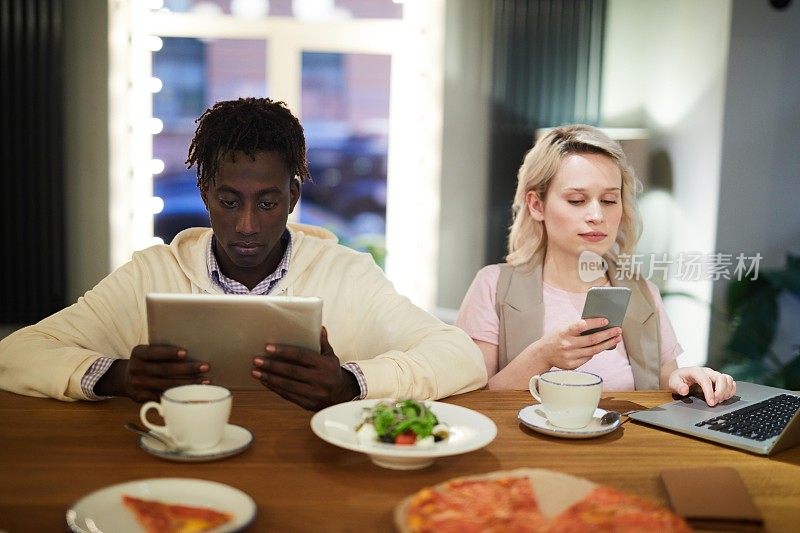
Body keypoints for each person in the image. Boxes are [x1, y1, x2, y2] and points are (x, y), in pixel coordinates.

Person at [0, 97, 487, 410]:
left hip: (308, 478)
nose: (247, 225)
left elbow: (461, 357)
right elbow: (14, 354)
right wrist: (116, 376)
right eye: (229, 202)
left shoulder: (349, 275)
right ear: (205, 192)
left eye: (268, 202)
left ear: (294, 197)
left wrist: (353, 383)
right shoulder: (150, 274)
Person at [456, 124, 735, 406]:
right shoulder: (493, 286)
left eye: (609, 200)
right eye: (577, 200)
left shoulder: (642, 292)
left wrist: (687, 380)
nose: (597, 215)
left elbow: (665, 384)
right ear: (536, 205)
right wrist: (542, 357)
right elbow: (472, 403)